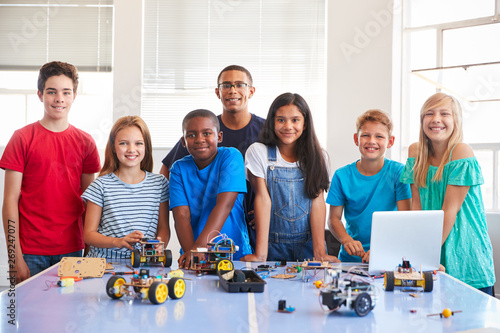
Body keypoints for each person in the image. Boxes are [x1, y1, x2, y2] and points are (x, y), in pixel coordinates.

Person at [0, 61, 101, 283]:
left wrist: (89, 251)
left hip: (72, 249)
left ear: (74, 95)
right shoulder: (22, 138)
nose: (59, 99)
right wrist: (14, 258)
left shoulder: (86, 143)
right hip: (30, 250)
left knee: (70, 315)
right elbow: (9, 201)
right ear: (40, 94)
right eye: (51, 92)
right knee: (29, 316)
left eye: (66, 92)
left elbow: (90, 204)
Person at [401, 92, 495, 295]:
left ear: (456, 121)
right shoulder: (415, 152)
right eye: (429, 114)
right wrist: (415, 255)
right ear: (422, 120)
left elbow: (449, 212)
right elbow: (416, 207)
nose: (436, 119)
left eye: (445, 113)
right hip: (430, 249)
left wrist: (423, 255)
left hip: (466, 252)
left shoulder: (461, 152)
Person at [160, 65, 265, 248]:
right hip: (202, 234)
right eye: (226, 85)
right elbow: (167, 172)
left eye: (240, 84)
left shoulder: (265, 132)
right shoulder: (204, 125)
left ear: (251, 91)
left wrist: (266, 211)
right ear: (218, 92)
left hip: (249, 226)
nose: (233, 90)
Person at [241, 93, 338, 262]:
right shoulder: (258, 151)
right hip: (272, 247)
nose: (288, 126)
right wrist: (261, 254)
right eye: (281, 120)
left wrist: (320, 253)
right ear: (272, 122)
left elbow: (317, 202)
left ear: (305, 123)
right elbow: (263, 199)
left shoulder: (319, 156)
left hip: (309, 247)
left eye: (295, 120)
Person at [170, 109, 252, 269]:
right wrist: (192, 254)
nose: (200, 139)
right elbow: (181, 215)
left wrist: (199, 248)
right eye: (191, 135)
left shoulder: (231, 157)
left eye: (207, 133)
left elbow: (224, 205)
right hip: (192, 253)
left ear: (219, 136)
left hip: (235, 254)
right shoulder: (178, 169)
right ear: (183, 141)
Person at [327, 110, 411, 263]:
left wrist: (381, 249)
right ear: (356, 139)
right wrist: (346, 240)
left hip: (389, 257)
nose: (371, 141)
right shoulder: (341, 175)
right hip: (351, 260)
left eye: (379, 136)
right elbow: (333, 219)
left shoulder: (399, 172)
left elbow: (404, 219)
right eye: (366, 135)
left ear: (390, 141)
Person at [82, 116, 169, 259]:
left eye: (138, 143)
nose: (131, 149)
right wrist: (118, 242)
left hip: (145, 263)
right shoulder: (100, 186)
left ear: (146, 146)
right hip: (105, 264)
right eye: (123, 143)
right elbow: (89, 235)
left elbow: (164, 227)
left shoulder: (159, 184)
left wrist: (160, 243)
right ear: (113, 147)